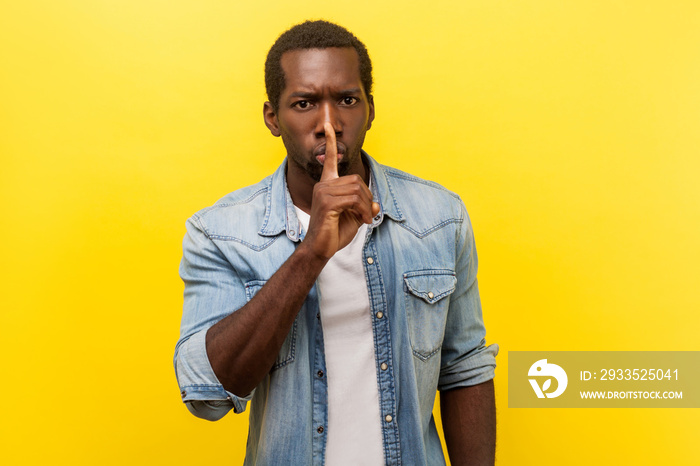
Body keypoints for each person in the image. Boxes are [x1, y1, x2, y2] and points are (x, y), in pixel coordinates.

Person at [174, 20, 498, 466]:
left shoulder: (439, 217)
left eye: (347, 100)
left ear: (369, 108)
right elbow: (207, 395)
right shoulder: (221, 233)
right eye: (305, 103)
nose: (329, 124)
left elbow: (465, 370)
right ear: (273, 117)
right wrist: (311, 253)